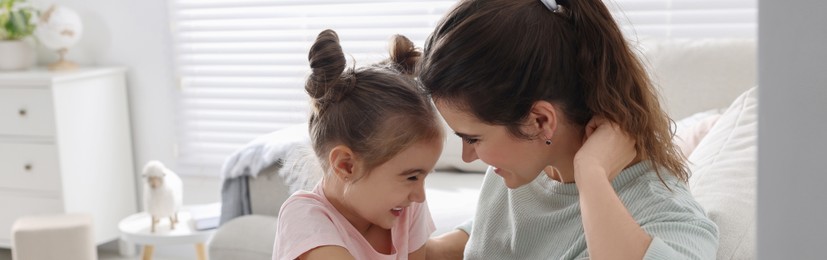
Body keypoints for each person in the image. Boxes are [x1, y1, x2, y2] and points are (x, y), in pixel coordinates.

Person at [419, 0, 719, 259]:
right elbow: (489, 242)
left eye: (473, 138)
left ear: (541, 122)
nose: (469, 156)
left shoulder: (671, 221)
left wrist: (590, 172)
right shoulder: (524, 168)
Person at [273, 29, 443, 260]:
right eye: (412, 177)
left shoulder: (405, 208)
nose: (420, 195)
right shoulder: (304, 217)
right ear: (346, 166)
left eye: (424, 177)